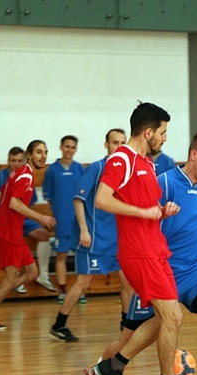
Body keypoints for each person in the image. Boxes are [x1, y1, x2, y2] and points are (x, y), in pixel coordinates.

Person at [73, 130, 197, 375]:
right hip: (160, 266)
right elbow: (139, 225)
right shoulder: (165, 182)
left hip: (195, 269)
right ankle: (97, 372)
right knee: (129, 339)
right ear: (194, 155)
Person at [76, 102, 197, 375]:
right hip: (138, 253)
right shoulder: (122, 160)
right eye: (163, 132)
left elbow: (145, 208)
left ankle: (114, 366)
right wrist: (143, 212)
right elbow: (102, 200)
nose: (165, 138)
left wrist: (160, 212)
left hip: (156, 249)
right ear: (148, 132)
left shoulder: (148, 164)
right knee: (173, 316)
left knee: (163, 319)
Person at [48, 129, 129, 342]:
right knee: (83, 283)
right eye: (114, 142)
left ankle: (126, 324)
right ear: (106, 145)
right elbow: (78, 199)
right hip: (93, 238)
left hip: (116, 238)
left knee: (127, 281)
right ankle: (59, 324)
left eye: (122, 143)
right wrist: (83, 229)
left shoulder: (126, 170)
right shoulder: (97, 168)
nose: (118, 147)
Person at [0, 140, 56, 330]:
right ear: (29, 154)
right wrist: (41, 218)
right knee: (11, 277)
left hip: (13, 231)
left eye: (46, 152)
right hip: (9, 232)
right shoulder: (25, 176)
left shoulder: (17, 174)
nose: (43, 156)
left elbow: (2, 197)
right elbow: (14, 204)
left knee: (32, 272)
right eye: (39, 152)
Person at [0, 147, 54, 294]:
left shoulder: (25, 176)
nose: (16, 164)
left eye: (19, 161)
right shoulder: (4, 176)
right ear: (8, 161)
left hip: (19, 219)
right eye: (13, 160)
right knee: (11, 274)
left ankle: (44, 274)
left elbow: (27, 203)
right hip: (7, 223)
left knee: (44, 235)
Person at [43, 135, 85, 303]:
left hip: (78, 222)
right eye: (67, 146)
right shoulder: (52, 170)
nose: (69, 150)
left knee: (80, 256)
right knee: (61, 255)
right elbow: (49, 197)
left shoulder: (81, 169)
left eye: (73, 147)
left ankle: (79, 291)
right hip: (62, 221)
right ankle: (62, 290)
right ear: (61, 147)